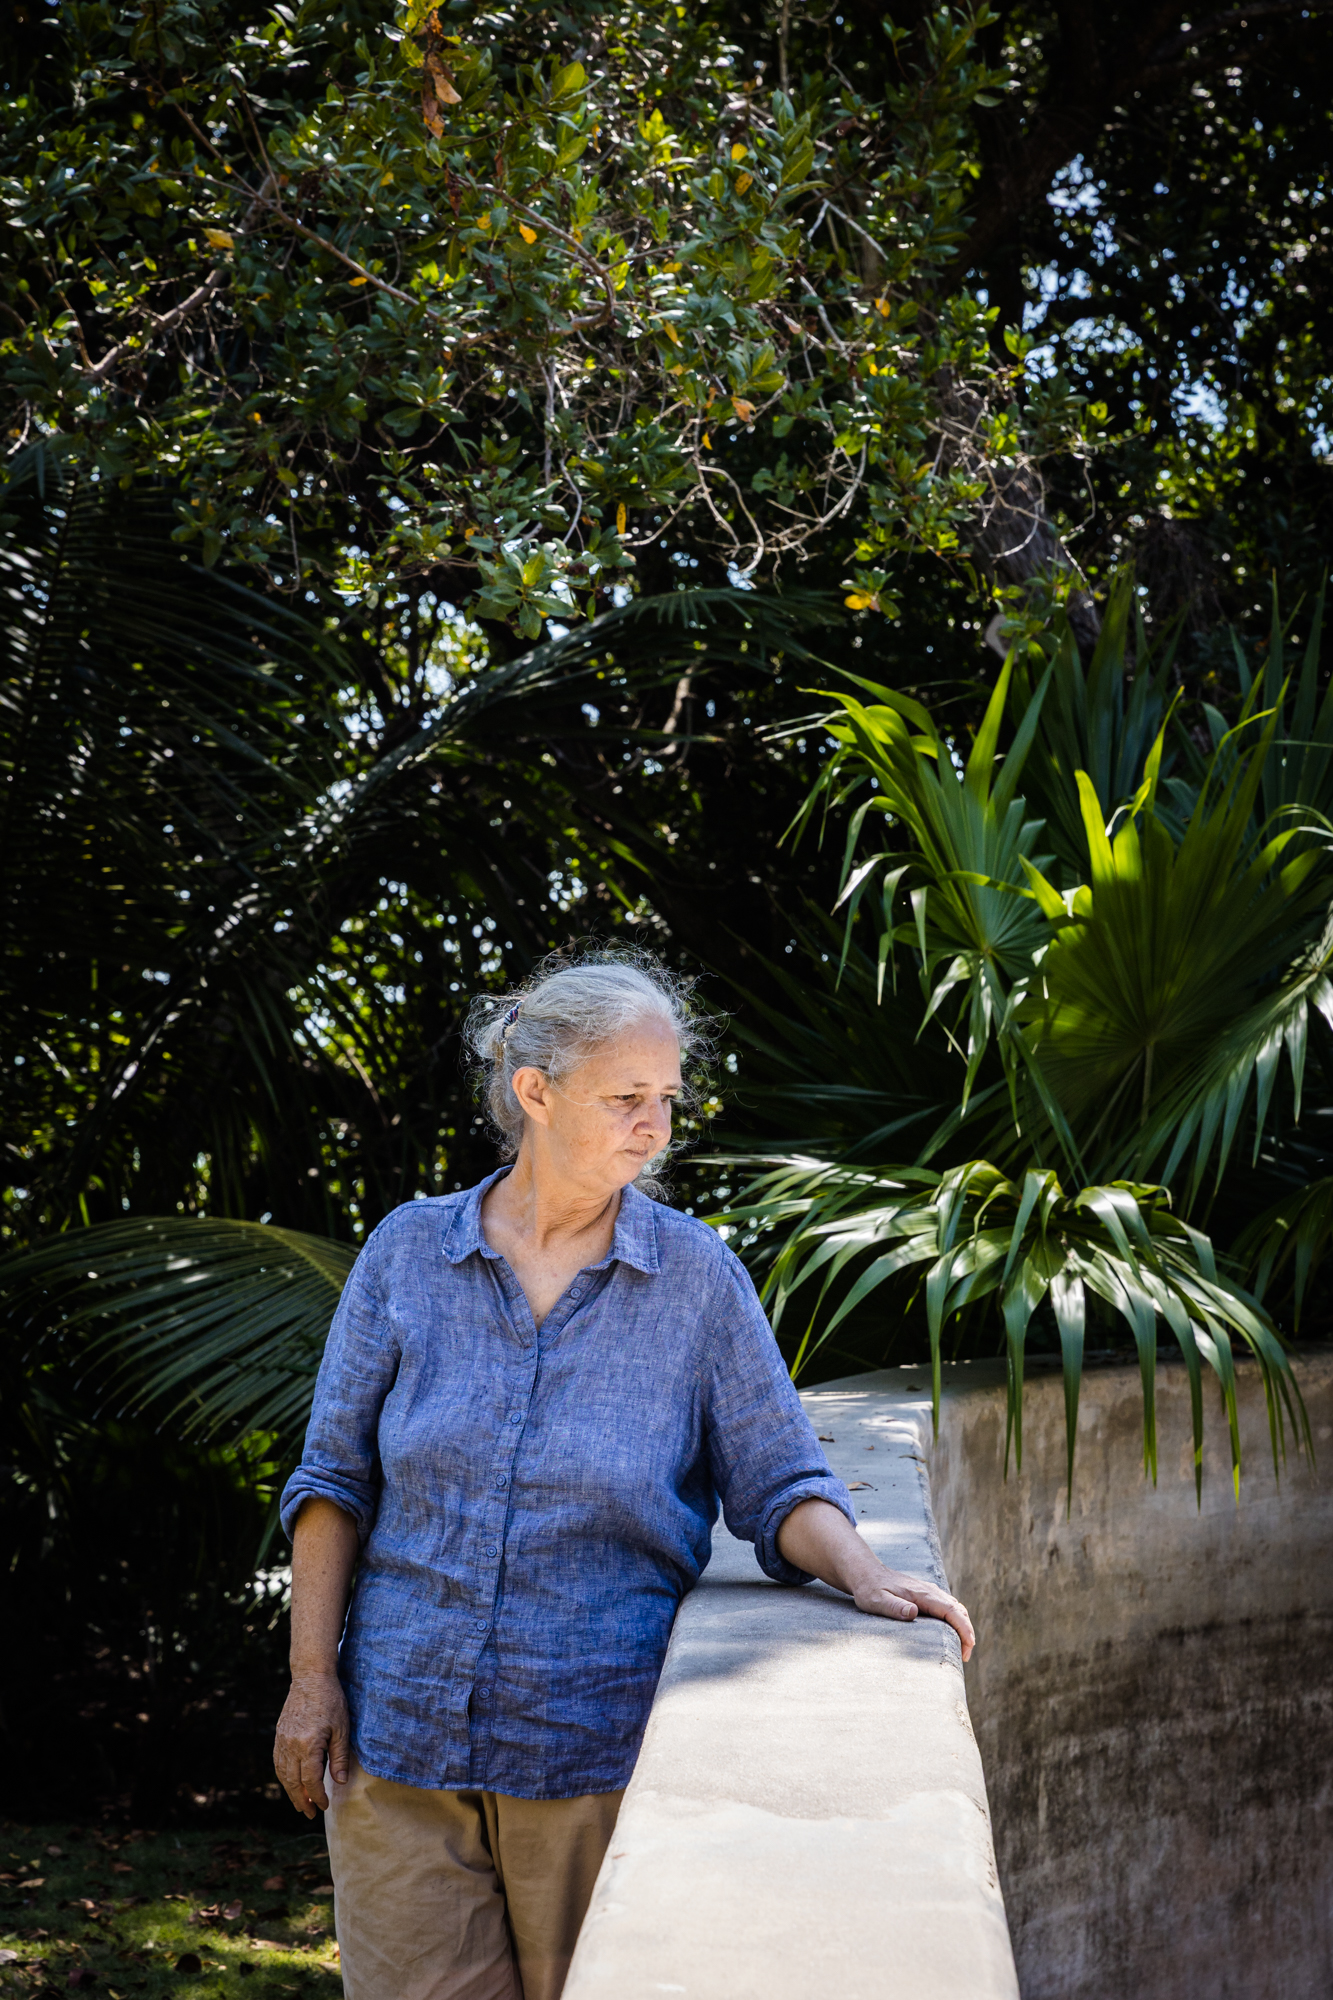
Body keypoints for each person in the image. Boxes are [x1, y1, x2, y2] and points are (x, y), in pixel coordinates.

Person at [273, 951, 975, 2000]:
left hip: (592, 1744)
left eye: (668, 1099)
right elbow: (333, 1480)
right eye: (626, 1097)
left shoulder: (695, 1277)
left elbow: (778, 1476)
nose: (655, 1125)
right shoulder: (406, 1254)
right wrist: (311, 1680)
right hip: (397, 1735)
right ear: (535, 1091)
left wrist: (865, 1574)